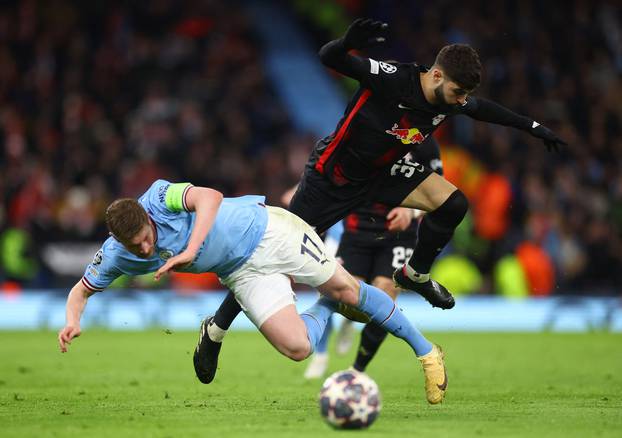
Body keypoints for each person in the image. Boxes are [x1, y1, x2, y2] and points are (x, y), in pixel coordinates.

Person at [195, 18, 566, 384]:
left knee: (453, 203)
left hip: (383, 176)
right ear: (437, 76)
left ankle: (416, 274)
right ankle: (215, 330)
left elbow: (486, 110)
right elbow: (331, 57)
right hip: (332, 178)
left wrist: (534, 128)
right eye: (457, 93)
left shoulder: (451, 100)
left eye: (464, 95)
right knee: (271, 257)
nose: (461, 102)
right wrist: (346, 43)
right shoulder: (392, 77)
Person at [57, 179, 448, 404]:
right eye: (134, 247)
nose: (144, 250)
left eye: (145, 239)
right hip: (242, 273)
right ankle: (325, 302)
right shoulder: (115, 255)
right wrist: (72, 321)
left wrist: (191, 250)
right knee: (298, 348)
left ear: (146, 219)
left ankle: (427, 352)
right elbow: (80, 290)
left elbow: (209, 197)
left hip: (270, 232)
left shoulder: (160, 199)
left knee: (349, 291)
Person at [304, 137, 444, 378]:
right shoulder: (365, 133)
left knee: (385, 290)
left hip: (398, 236)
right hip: (357, 232)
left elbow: (439, 194)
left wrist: (410, 210)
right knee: (345, 298)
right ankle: (336, 334)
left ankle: (357, 369)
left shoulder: (425, 144)